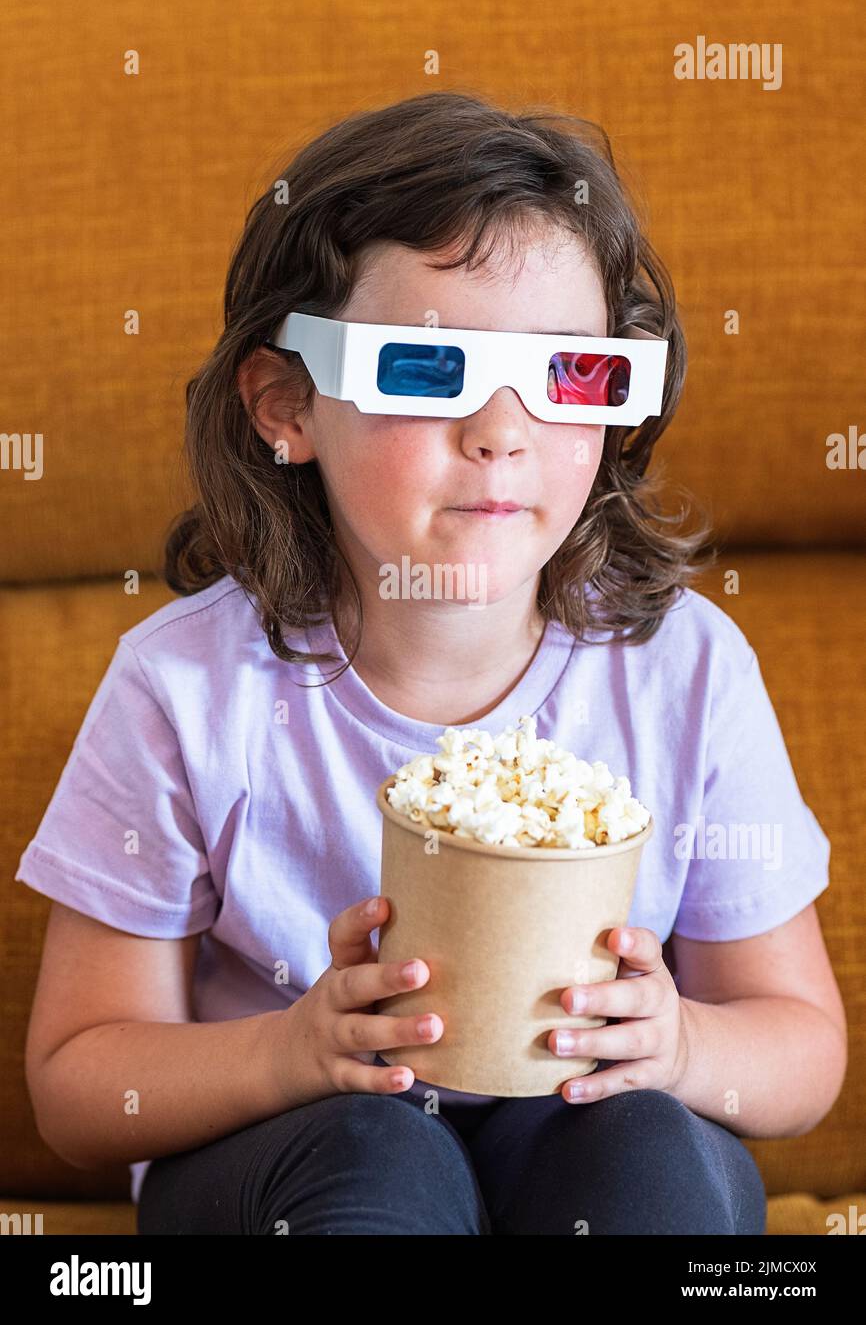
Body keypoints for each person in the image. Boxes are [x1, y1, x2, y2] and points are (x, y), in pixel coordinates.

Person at [16, 91, 846, 1235]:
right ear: (286, 404)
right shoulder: (185, 690)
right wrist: (291, 1050)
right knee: (376, 1161)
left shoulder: (683, 670)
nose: (502, 429)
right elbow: (78, 1086)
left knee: (650, 1146)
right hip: (287, 1146)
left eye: (570, 376)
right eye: (427, 368)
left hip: (572, 1120)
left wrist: (682, 1040)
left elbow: (799, 1053)